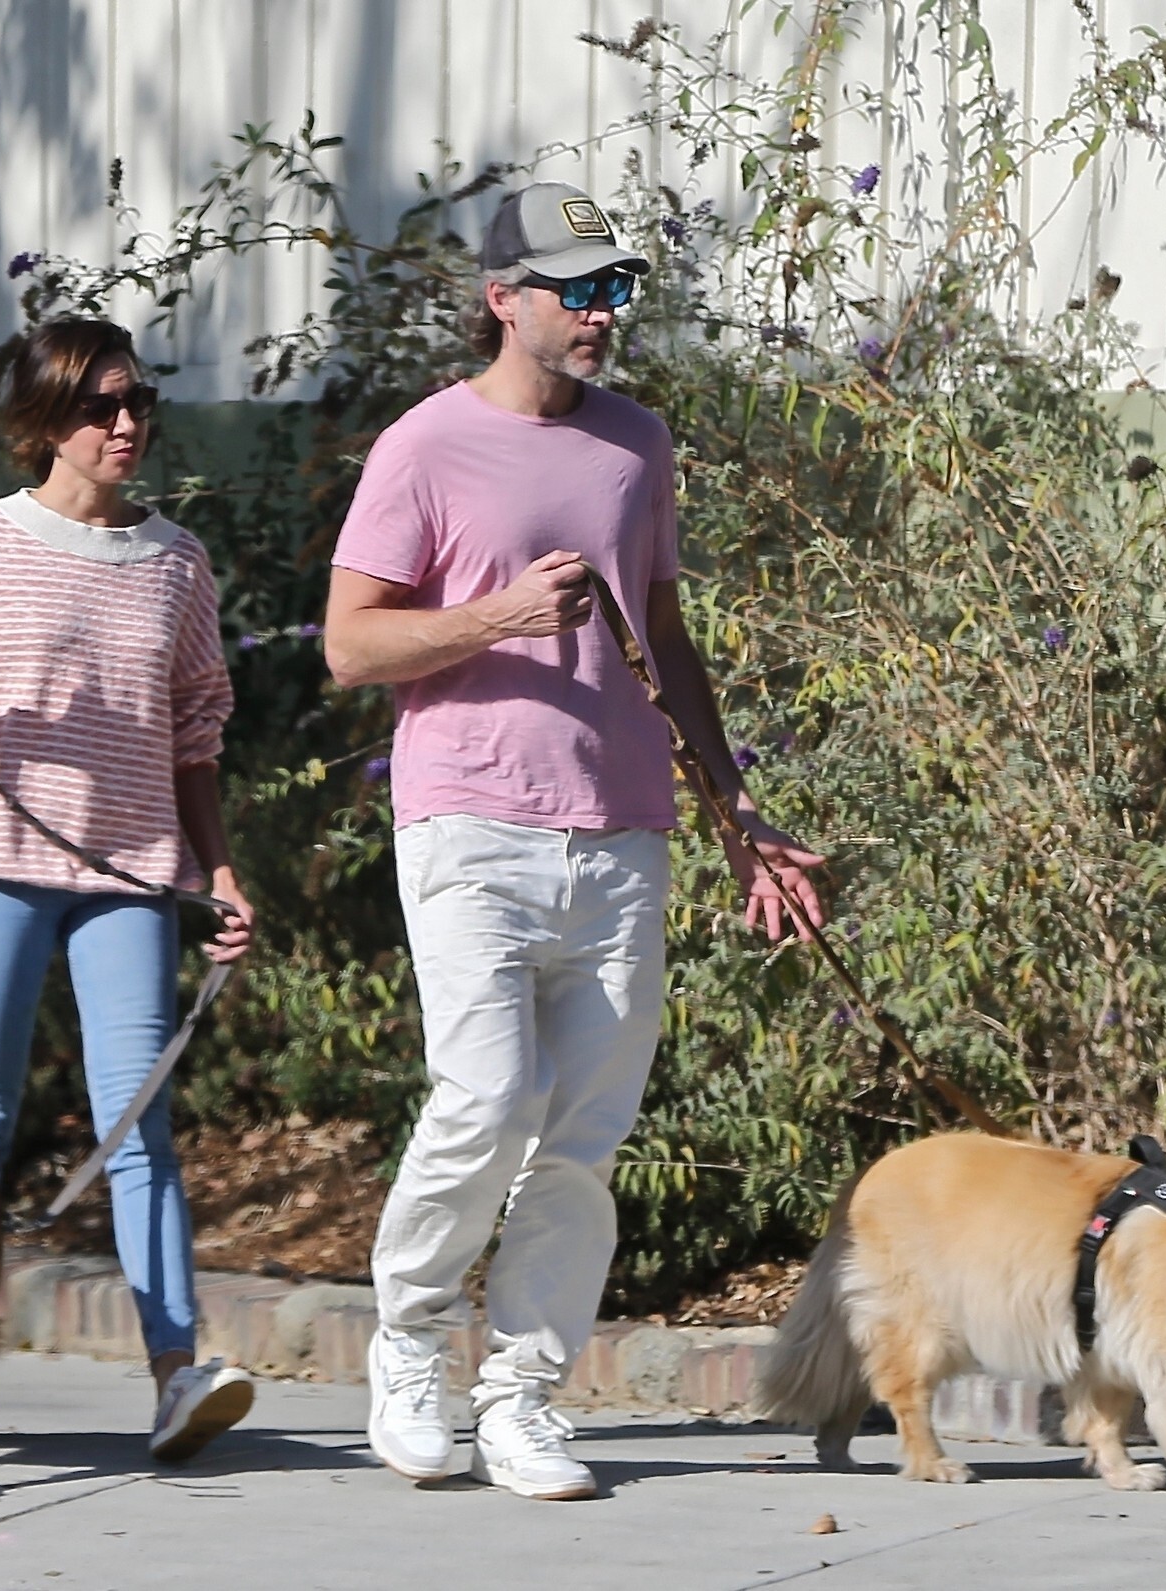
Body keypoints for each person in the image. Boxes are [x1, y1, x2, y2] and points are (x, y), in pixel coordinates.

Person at [324, 182, 828, 1501]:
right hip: (469, 820)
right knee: (486, 1100)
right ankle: (410, 1342)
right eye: (579, 288)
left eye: (616, 288)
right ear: (504, 299)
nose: (604, 311)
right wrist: (494, 616)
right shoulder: (425, 446)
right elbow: (350, 645)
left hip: (621, 830)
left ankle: (524, 1398)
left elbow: (667, 640)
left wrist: (736, 815)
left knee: (584, 1134)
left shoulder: (635, 443)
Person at [0, 317, 259, 1464]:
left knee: (139, 1124)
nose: (126, 422)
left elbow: (196, 737)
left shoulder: (177, 562)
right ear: (44, 421)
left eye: (139, 400)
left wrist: (218, 872)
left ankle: (177, 1375)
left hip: (127, 878)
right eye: (100, 406)